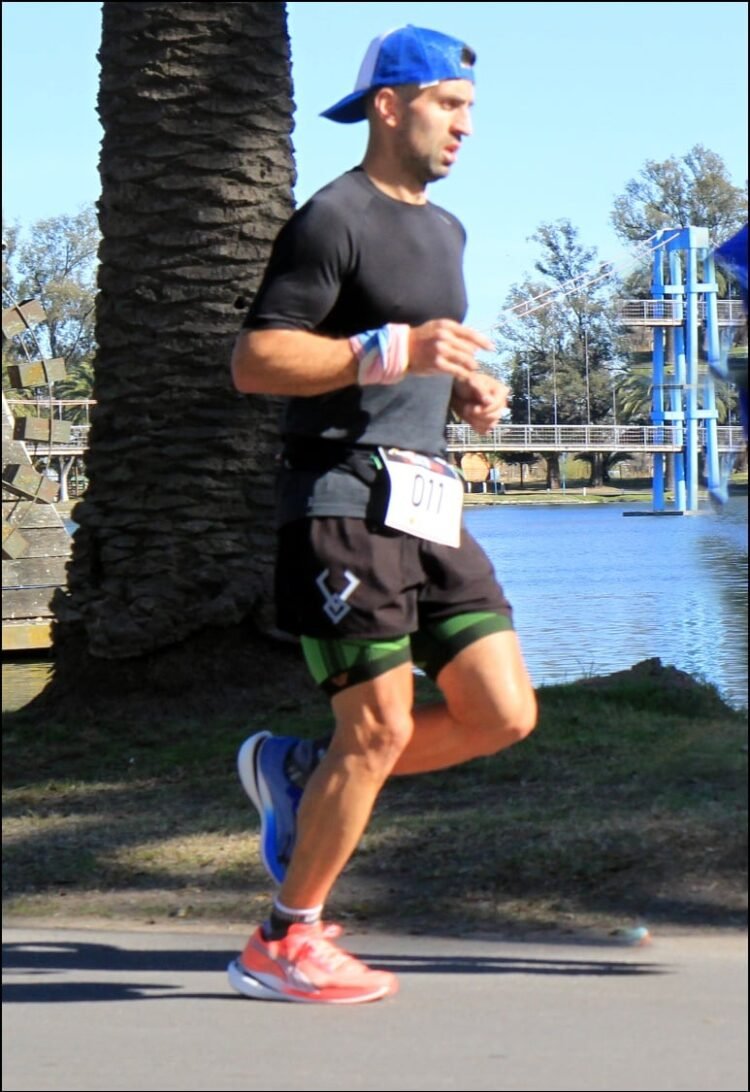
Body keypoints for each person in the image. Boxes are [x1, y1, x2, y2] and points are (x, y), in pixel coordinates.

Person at [227, 24, 537, 1005]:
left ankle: (305, 776)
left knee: (503, 711)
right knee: (380, 726)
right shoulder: (333, 218)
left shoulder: (447, 232)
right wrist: (390, 352)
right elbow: (257, 360)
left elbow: (411, 356)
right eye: (450, 105)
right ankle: (283, 939)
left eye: (471, 109)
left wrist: (461, 387)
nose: (465, 127)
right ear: (390, 105)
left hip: (427, 499)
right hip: (341, 504)